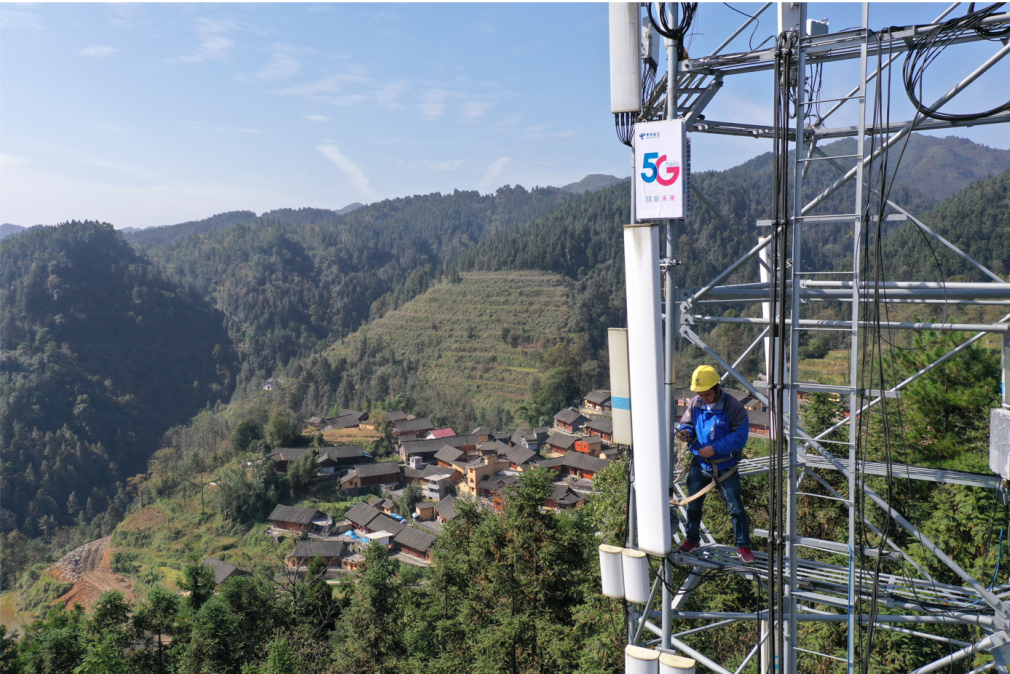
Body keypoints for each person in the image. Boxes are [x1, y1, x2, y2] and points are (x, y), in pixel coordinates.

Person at [675, 364, 755, 563]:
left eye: (707, 394)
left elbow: (740, 436)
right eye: (700, 394)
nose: (703, 398)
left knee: (736, 507)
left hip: (726, 465)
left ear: (717, 388)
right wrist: (686, 433)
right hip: (700, 464)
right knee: (693, 504)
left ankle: (743, 546)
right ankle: (692, 540)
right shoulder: (695, 403)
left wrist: (716, 448)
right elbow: (687, 423)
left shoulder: (733, 407)